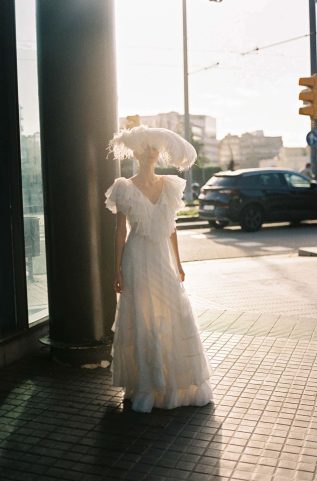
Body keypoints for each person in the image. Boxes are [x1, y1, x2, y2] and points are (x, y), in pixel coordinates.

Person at [104, 125, 213, 413]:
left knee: (173, 311)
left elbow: (172, 228)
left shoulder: (170, 184)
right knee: (143, 317)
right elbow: (119, 232)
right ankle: (146, 386)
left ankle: (175, 384)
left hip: (162, 257)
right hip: (137, 256)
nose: (151, 153)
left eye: (155, 149)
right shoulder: (123, 187)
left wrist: (178, 263)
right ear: (137, 153)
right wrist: (116, 270)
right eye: (146, 149)